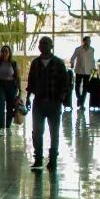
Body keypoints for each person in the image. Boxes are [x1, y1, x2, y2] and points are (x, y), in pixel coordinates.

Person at [26, 36, 70, 170]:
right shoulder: (35, 63)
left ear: (51, 46)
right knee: (37, 132)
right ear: (39, 47)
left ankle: (53, 159)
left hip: (54, 102)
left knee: (54, 132)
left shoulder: (58, 63)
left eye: (46, 43)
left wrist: (61, 98)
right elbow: (31, 81)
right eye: (41, 43)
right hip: (38, 102)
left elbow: (65, 82)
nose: (43, 45)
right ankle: (38, 159)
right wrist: (27, 97)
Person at [70, 36, 95, 109]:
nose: (89, 42)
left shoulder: (92, 49)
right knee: (77, 87)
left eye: (90, 41)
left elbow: (92, 60)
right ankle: (79, 99)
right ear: (84, 41)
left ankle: (81, 103)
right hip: (79, 70)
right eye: (88, 41)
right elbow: (73, 58)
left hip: (88, 71)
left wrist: (94, 71)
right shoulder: (78, 49)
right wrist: (72, 63)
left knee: (85, 88)